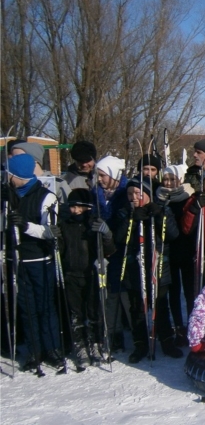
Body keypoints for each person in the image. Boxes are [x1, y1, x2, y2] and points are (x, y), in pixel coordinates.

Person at [5, 154, 64, 372]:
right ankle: (33, 350)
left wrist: (25, 226)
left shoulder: (45, 196)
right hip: (16, 259)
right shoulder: (7, 195)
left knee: (45, 306)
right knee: (25, 306)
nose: (7, 177)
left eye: (9, 174)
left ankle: (52, 348)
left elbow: (51, 231)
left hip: (39, 259)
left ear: (19, 174)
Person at [113, 177, 181, 362]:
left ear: (148, 195)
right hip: (134, 269)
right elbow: (119, 238)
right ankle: (140, 344)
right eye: (129, 194)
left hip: (158, 267)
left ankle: (167, 341)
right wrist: (132, 220)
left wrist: (159, 216)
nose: (133, 197)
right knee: (137, 307)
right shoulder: (123, 212)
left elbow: (173, 234)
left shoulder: (162, 209)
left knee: (160, 305)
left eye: (138, 193)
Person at [58, 188, 116, 369]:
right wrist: (56, 238)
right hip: (71, 274)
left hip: (91, 273)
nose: (74, 210)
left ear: (87, 207)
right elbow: (61, 251)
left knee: (94, 312)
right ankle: (80, 346)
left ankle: (96, 344)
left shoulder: (94, 224)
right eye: (72, 207)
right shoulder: (65, 224)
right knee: (76, 313)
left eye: (78, 207)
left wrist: (106, 234)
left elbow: (110, 250)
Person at [92, 155, 130, 353]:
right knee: (108, 295)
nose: (99, 179)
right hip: (102, 252)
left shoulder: (125, 194)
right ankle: (113, 333)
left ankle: (132, 330)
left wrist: (110, 232)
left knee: (122, 293)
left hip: (121, 251)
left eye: (103, 175)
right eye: (98, 175)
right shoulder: (96, 195)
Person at [156, 164, 195, 347]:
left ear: (180, 179)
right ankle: (178, 326)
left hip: (186, 250)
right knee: (173, 291)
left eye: (172, 179)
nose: (169, 183)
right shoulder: (159, 198)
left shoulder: (187, 196)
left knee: (189, 291)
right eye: (166, 179)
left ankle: (192, 325)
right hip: (167, 252)